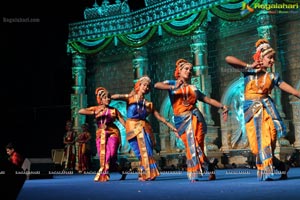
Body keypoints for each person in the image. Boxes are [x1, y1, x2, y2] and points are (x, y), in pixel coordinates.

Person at [225, 38, 300, 181]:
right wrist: (250, 66)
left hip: (267, 111)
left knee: (267, 140)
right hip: (251, 112)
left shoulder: (272, 76)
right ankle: (281, 166)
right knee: (255, 147)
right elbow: (228, 59)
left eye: (273, 58)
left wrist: (298, 94)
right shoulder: (248, 72)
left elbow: (292, 91)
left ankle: (266, 171)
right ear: (260, 57)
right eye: (269, 57)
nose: (272, 61)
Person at [154, 59, 228, 182]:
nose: (189, 71)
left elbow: (207, 100)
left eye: (190, 70)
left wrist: (222, 106)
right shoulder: (171, 84)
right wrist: (173, 86)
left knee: (195, 145)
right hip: (181, 121)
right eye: (186, 69)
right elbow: (157, 85)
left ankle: (194, 173)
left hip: (195, 118)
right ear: (179, 71)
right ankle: (209, 165)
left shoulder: (193, 88)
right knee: (192, 146)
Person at [111, 75, 179, 181]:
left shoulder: (148, 104)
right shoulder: (130, 98)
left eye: (148, 86)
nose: (146, 87)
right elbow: (116, 96)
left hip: (143, 127)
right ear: (138, 85)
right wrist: (107, 97)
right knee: (138, 153)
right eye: (144, 85)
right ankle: (144, 172)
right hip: (131, 128)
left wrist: (172, 127)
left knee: (146, 151)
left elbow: (160, 117)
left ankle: (149, 173)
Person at [78, 87, 126, 182]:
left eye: (109, 97)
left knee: (111, 154)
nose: (108, 99)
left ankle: (104, 173)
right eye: (105, 97)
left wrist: (130, 131)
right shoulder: (96, 109)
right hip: (101, 133)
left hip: (113, 132)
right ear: (101, 99)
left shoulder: (114, 110)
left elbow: (123, 122)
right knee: (103, 155)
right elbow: (80, 111)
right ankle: (121, 170)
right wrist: (94, 112)